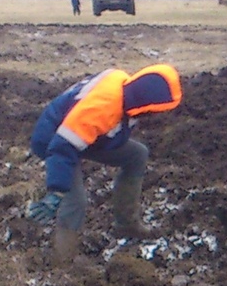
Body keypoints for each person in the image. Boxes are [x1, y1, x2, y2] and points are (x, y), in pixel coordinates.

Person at [26, 64, 183, 264]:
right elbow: (62, 148)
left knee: (137, 155)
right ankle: (62, 261)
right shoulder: (101, 109)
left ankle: (126, 224)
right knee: (76, 202)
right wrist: (56, 191)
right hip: (55, 141)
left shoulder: (124, 85)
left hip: (89, 136)